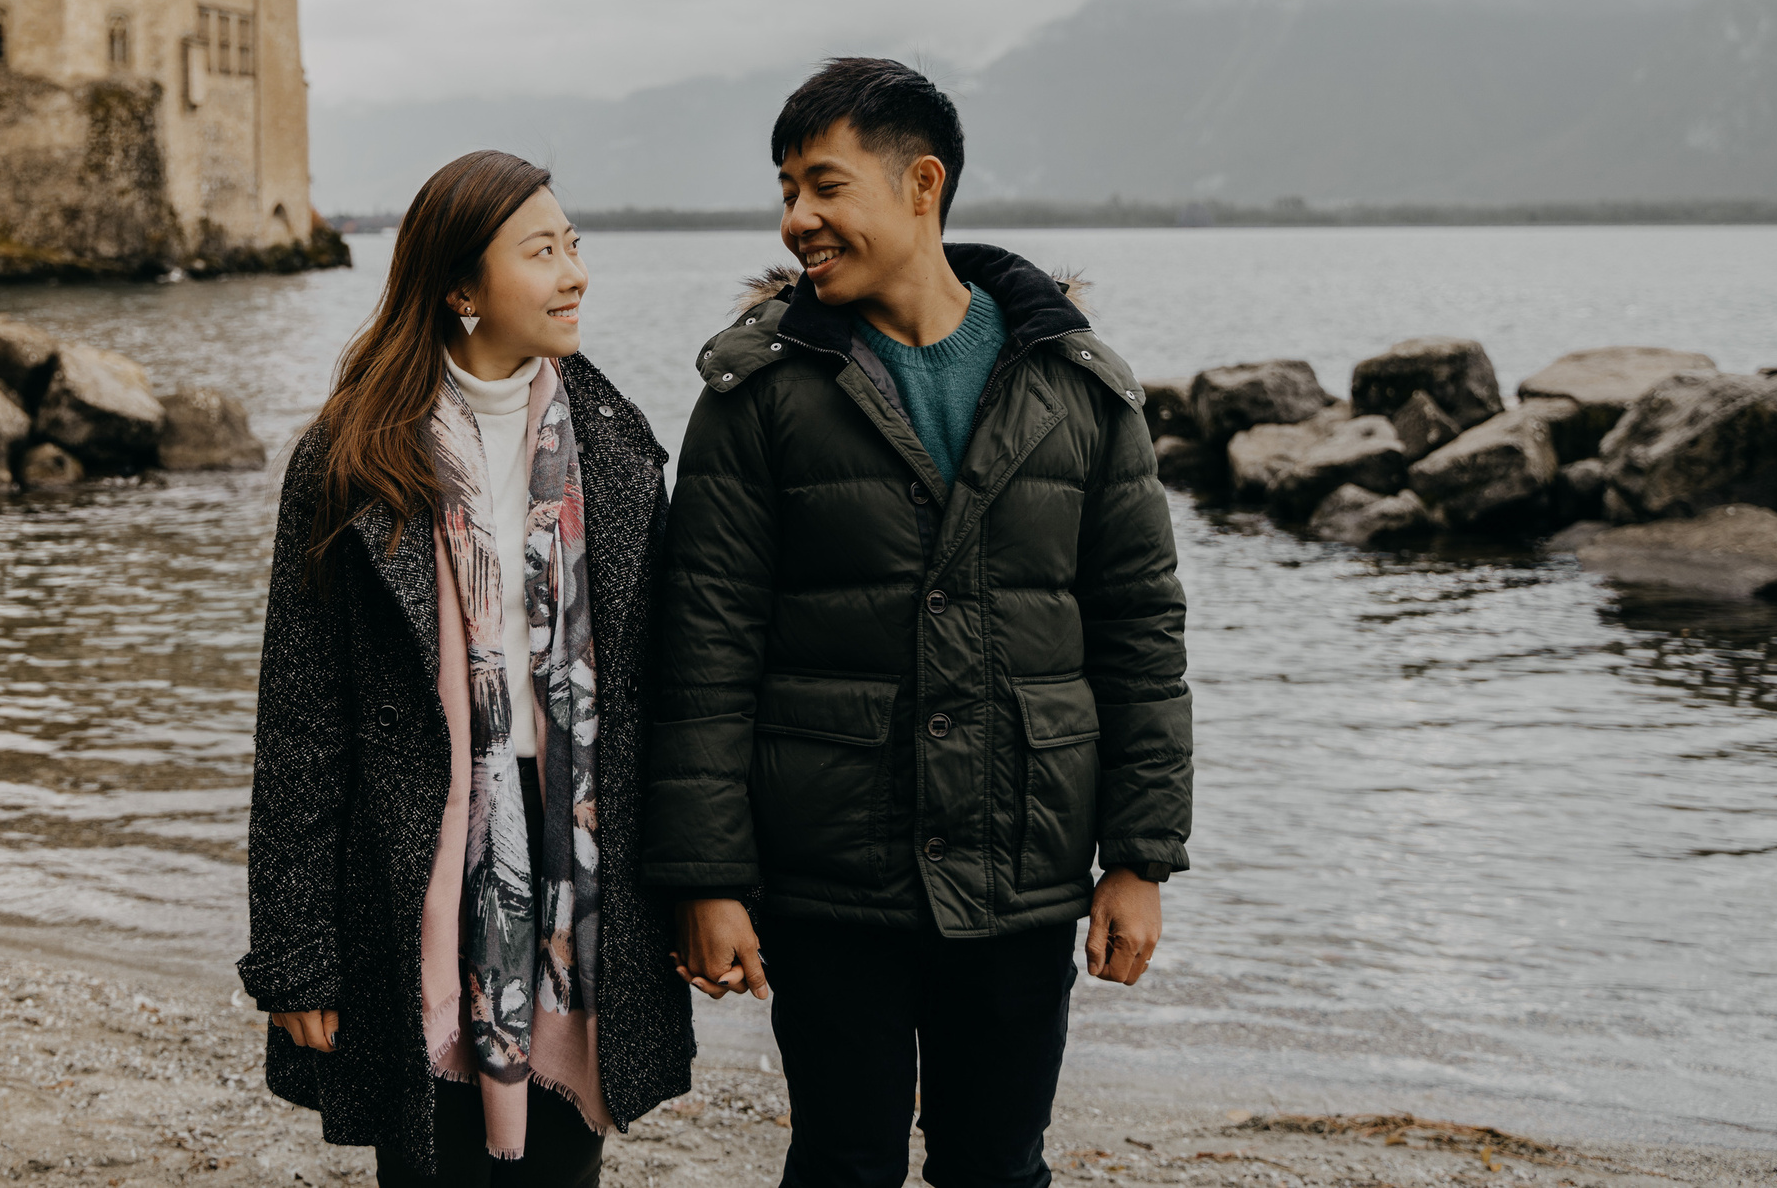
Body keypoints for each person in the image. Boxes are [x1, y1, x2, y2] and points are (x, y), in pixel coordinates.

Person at [644, 58, 1192, 1188]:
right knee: (842, 1162)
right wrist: (709, 878)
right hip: (827, 866)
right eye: (786, 189)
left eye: (824, 186)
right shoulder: (757, 393)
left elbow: (1140, 637)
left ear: (921, 185)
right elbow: (704, 648)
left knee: (997, 1164)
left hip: (1023, 862)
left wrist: (1138, 857)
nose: (798, 219)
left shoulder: (1081, 388)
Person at [242, 150, 693, 1185]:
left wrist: (705, 885)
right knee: (430, 1162)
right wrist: (296, 952)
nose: (574, 273)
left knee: (566, 1158)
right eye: (542, 252)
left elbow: (664, 698)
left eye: (573, 245)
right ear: (458, 288)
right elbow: (300, 721)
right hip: (413, 867)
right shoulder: (350, 456)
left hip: (582, 862)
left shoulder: (617, 452)